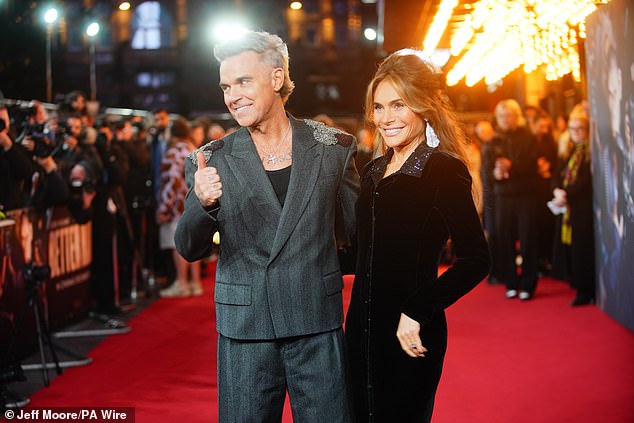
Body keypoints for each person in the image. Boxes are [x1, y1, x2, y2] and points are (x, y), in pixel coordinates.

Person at [174, 31, 359, 421]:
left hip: (316, 322)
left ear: (277, 79)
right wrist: (203, 204)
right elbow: (188, 248)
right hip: (245, 329)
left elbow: (360, 236)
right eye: (226, 85)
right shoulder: (209, 159)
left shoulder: (334, 148)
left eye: (243, 81)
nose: (233, 95)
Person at [345, 49, 490, 423]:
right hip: (359, 332)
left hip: (409, 333)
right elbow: (363, 253)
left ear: (422, 107)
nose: (386, 118)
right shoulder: (373, 170)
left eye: (398, 105)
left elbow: (476, 260)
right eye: (378, 107)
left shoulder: (442, 169)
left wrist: (418, 309)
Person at [484, 99, 539, 300]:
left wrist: (512, 165)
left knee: (528, 241)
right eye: (502, 116)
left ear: (517, 117)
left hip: (526, 196)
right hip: (502, 198)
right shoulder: (492, 141)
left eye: (509, 115)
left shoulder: (529, 137)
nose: (506, 120)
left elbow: (534, 166)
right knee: (504, 240)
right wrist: (494, 174)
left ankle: (527, 283)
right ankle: (511, 282)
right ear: (497, 119)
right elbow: (486, 173)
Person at [550, 110, 596, 306]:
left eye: (580, 128)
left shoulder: (591, 153)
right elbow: (556, 176)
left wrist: (566, 194)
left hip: (583, 208)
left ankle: (585, 289)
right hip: (568, 207)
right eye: (572, 128)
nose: (576, 132)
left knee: (582, 249)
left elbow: (586, 182)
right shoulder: (568, 151)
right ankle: (577, 283)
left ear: (587, 130)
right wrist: (557, 191)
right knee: (572, 248)